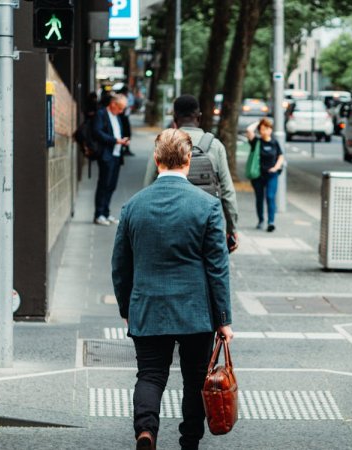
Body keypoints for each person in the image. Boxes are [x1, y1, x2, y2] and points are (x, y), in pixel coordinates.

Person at [112, 128, 234, 450]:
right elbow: (217, 269)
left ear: (156, 159)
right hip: (195, 311)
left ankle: (146, 432)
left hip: (148, 307)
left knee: (150, 375)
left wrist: (128, 309)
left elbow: (120, 266)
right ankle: (189, 442)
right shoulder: (207, 206)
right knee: (194, 380)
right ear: (188, 159)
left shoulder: (133, 207)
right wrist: (223, 319)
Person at [143, 94, 239, 252]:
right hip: (206, 221)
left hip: (169, 219)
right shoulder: (215, 146)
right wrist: (232, 229)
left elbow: (148, 184)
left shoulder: (163, 144)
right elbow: (228, 191)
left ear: (175, 118)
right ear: (199, 117)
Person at [92, 93, 129, 226]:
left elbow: (118, 132)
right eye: (120, 108)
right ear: (113, 104)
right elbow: (97, 132)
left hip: (116, 155)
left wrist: (123, 141)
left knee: (111, 186)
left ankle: (106, 213)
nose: (121, 111)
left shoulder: (117, 117)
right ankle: (99, 214)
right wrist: (115, 140)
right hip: (106, 155)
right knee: (104, 184)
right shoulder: (101, 114)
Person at [246, 118, 284, 232]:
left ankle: (271, 222)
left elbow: (280, 156)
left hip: (272, 174)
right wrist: (259, 122)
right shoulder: (256, 142)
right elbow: (249, 130)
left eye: (267, 128)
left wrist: (276, 167)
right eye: (262, 129)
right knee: (259, 198)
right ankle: (261, 220)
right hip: (258, 175)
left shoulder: (274, 142)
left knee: (270, 197)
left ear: (271, 129)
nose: (264, 131)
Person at [118, 86, 135, 156]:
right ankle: (123, 148)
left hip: (125, 117)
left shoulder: (127, 97)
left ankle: (126, 148)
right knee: (123, 133)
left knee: (127, 133)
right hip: (121, 117)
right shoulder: (120, 98)